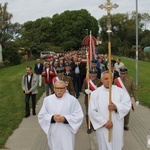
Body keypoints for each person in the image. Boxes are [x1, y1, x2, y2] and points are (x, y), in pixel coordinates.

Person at [88, 70, 131, 150]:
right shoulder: (95, 94)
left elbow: (127, 104)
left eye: (110, 78)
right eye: (106, 78)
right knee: (104, 146)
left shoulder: (120, 92)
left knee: (116, 145)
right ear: (101, 80)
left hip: (116, 125)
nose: (108, 81)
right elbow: (92, 111)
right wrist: (104, 123)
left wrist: (116, 107)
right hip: (102, 127)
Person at [38, 80, 83, 150]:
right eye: (57, 88)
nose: (59, 90)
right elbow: (42, 116)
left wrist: (65, 119)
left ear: (65, 89)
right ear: (54, 89)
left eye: (62, 88)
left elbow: (79, 115)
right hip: (54, 131)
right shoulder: (47, 100)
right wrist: (52, 118)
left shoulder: (72, 100)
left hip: (67, 132)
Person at [82, 69, 102, 134]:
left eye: (94, 74)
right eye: (92, 74)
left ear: (96, 74)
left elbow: (102, 90)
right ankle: (89, 126)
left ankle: (95, 125)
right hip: (88, 99)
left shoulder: (99, 81)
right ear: (90, 74)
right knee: (88, 114)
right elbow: (82, 89)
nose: (93, 75)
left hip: (96, 101)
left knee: (96, 113)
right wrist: (85, 90)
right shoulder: (86, 81)